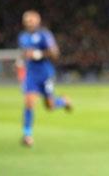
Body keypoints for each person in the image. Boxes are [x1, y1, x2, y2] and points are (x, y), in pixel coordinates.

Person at [18, 10, 71, 147]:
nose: (29, 23)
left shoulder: (44, 35)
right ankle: (27, 135)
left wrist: (39, 53)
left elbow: (55, 53)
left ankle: (64, 101)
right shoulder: (23, 37)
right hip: (31, 75)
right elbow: (25, 53)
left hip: (46, 74)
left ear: (38, 21)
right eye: (27, 21)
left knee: (50, 105)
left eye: (31, 20)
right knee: (29, 102)